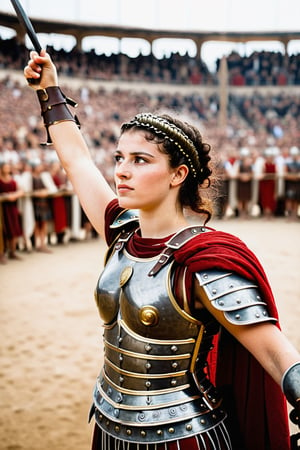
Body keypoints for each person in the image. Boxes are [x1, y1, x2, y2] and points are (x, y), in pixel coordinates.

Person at [23, 50, 300, 450]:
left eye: (140, 160)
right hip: (108, 424)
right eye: (120, 158)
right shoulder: (121, 232)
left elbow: (276, 355)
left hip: (184, 435)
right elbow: (77, 160)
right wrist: (48, 88)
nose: (121, 170)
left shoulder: (207, 260)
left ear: (178, 174)